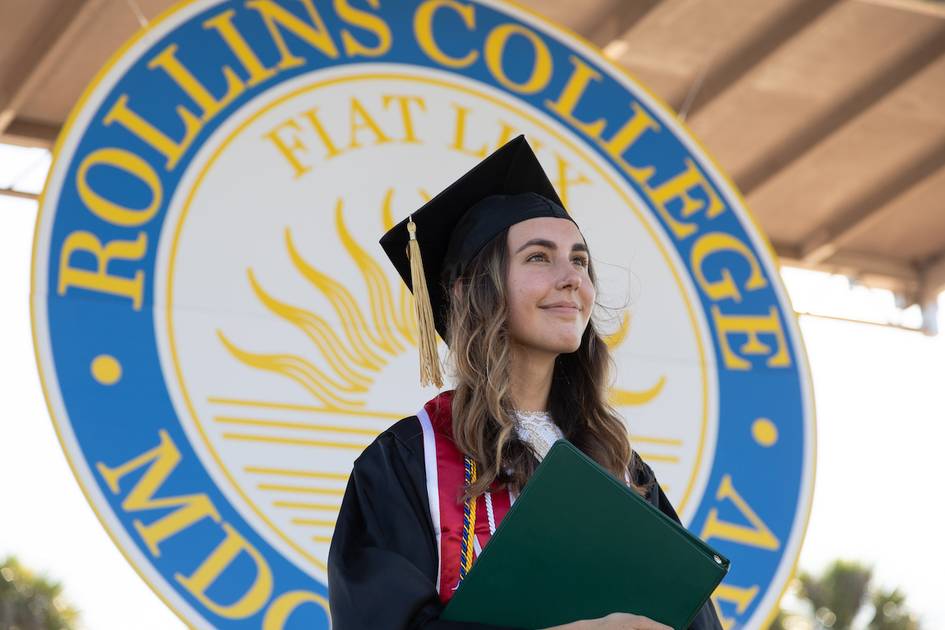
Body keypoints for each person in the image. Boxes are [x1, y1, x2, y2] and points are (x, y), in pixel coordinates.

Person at [327, 136, 723, 630]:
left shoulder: (621, 469)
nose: (571, 277)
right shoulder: (408, 462)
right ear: (471, 289)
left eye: (579, 260)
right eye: (539, 257)